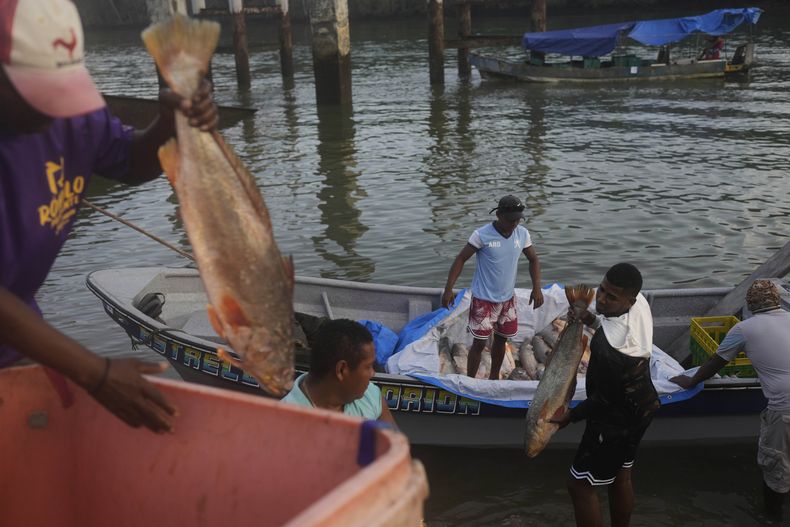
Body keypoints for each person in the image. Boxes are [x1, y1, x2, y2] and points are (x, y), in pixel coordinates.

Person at [0, 0, 219, 433]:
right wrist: (96, 373)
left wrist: (168, 125)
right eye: (39, 94)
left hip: (16, 340)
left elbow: (127, 159)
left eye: (61, 90)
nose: (55, 111)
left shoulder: (74, 116)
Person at [671, 279, 790, 522]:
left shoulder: (744, 329)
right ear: (777, 301)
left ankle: (771, 517)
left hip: (784, 409)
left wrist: (689, 381)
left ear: (750, 305)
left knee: (777, 467)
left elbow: (716, 362)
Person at [552, 263, 660, 527]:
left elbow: (604, 400)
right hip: (644, 405)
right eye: (601, 289)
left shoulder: (607, 347)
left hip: (615, 420)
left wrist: (569, 416)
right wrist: (590, 318)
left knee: (579, 486)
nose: (600, 298)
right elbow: (611, 322)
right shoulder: (639, 304)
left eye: (610, 297)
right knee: (621, 476)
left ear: (629, 299)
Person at [441, 195, 543, 380]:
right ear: (499, 215)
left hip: (507, 300)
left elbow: (533, 259)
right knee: (479, 344)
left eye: (518, 219)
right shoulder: (481, 235)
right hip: (483, 300)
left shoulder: (522, 234)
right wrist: (449, 289)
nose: (515, 223)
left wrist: (537, 288)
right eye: (511, 219)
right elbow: (461, 259)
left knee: (502, 341)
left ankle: (494, 377)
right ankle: (470, 381)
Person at [281, 318, 397, 425]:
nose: (372, 373)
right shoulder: (284, 421)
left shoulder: (370, 395)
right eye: (368, 367)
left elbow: (398, 444)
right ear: (341, 370)